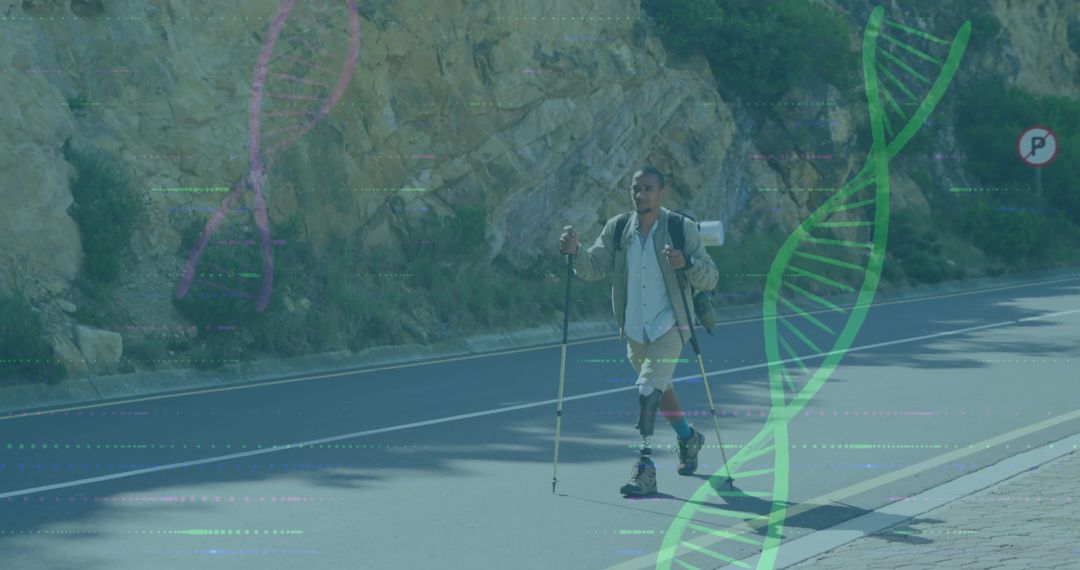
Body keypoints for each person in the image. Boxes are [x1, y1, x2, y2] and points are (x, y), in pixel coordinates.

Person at [558, 166, 719, 496]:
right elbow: (592, 267)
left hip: (671, 325)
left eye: (647, 188)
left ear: (662, 192)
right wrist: (575, 252)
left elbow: (711, 277)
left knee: (647, 389)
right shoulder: (618, 229)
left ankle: (645, 470)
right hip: (634, 329)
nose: (640, 194)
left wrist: (686, 262)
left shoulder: (679, 228)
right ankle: (689, 438)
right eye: (635, 188)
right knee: (661, 391)